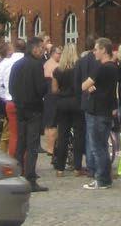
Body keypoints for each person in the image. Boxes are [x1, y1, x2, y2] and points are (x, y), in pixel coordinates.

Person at [8, 35, 49, 190]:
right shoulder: (37, 65)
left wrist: (18, 99)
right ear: (35, 49)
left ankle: (17, 175)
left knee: (21, 143)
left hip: (20, 107)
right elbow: (40, 88)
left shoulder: (17, 64)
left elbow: (11, 86)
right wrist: (47, 84)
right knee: (32, 145)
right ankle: (30, 178)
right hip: (34, 108)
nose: (43, 51)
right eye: (42, 49)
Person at [81, 37, 120, 190]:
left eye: (96, 49)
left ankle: (101, 179)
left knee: (97, 147)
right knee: (103, 146)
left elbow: (84, 85)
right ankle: (106, 178)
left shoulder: (101, 68)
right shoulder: (114, 67)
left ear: (104, 50)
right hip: (106, 110)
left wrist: (90, 87)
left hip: (97, 110)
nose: (94, 52)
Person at [52, 43, 85, 176]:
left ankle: (60, 168)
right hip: (77, 103)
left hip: (63, 103)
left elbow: (54, 89)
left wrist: (62, 92)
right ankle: (77, 167)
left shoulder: (58, 70)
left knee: (62, 136)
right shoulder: (79, 69)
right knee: (78, 135)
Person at [0, 38, 23, 160]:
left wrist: (5, 96)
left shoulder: (3, 64)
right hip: (24, 101)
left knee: (14, 134)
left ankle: (13, 161)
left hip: (10, 102)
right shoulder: (23, 59)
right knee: (25, 135)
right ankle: (25, 163)